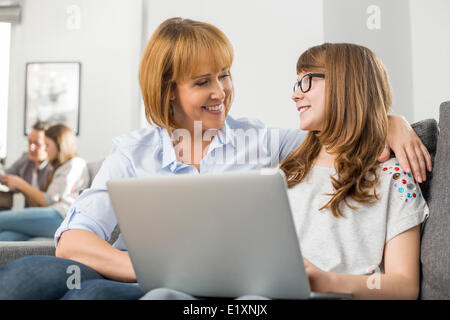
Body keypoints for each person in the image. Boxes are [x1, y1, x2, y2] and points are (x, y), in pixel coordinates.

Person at [0, 18, 431, 300]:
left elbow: (339, 129)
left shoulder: (266, 144)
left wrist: (390, 119)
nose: (221, 91)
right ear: (170, 90)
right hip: (133, 275)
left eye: (225, 74)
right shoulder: (133, 152)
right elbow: (73, 240)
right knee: (24, 278)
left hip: (214, 295)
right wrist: (152, 269)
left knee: (87, 298)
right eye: (203, 81)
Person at [0, 124, 89, 241]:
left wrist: (20, 184)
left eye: (47, 145)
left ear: (60, 145)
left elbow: (47, 200)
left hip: (61, 216)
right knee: (6, 237)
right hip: (51, 215)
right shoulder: (59, 167)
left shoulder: (75, 164)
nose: (45, 149)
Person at [0, 121, 53, 209]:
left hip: (46, 214)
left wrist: (20, 185)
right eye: (30, 142)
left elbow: (47, 202)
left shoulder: (54, 167)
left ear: (48, 145)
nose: (31, 148)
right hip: (28, 212)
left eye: (37, 144)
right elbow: (5, 175)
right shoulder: (26, 158)